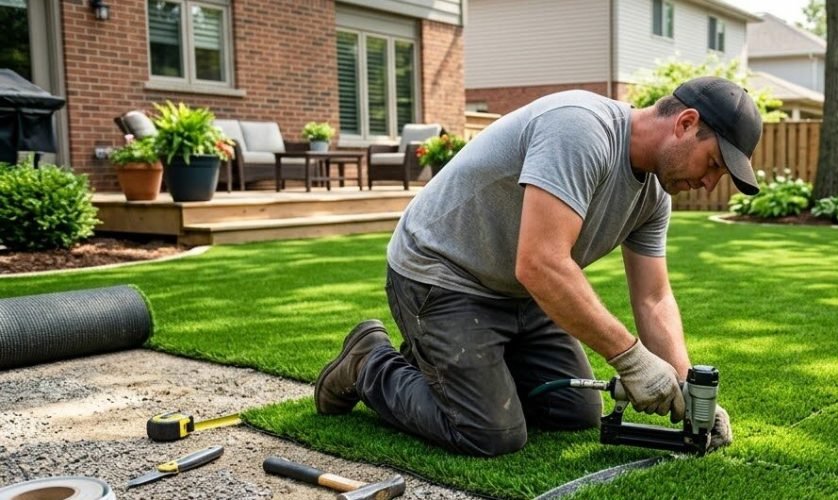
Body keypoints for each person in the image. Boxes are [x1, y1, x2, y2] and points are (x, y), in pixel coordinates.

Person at [314, 76, 762, 457]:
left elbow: (653, 297)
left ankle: (450, 364)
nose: (709, 183)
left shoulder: (654, 198)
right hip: (441, 275)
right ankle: (368, 361)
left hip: (517, 291)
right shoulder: (580, 128)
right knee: (490, 433)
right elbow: (541, 264)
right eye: (713, 164)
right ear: (685, 124)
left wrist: (687, 388)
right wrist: (632, 359)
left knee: (574, 411)